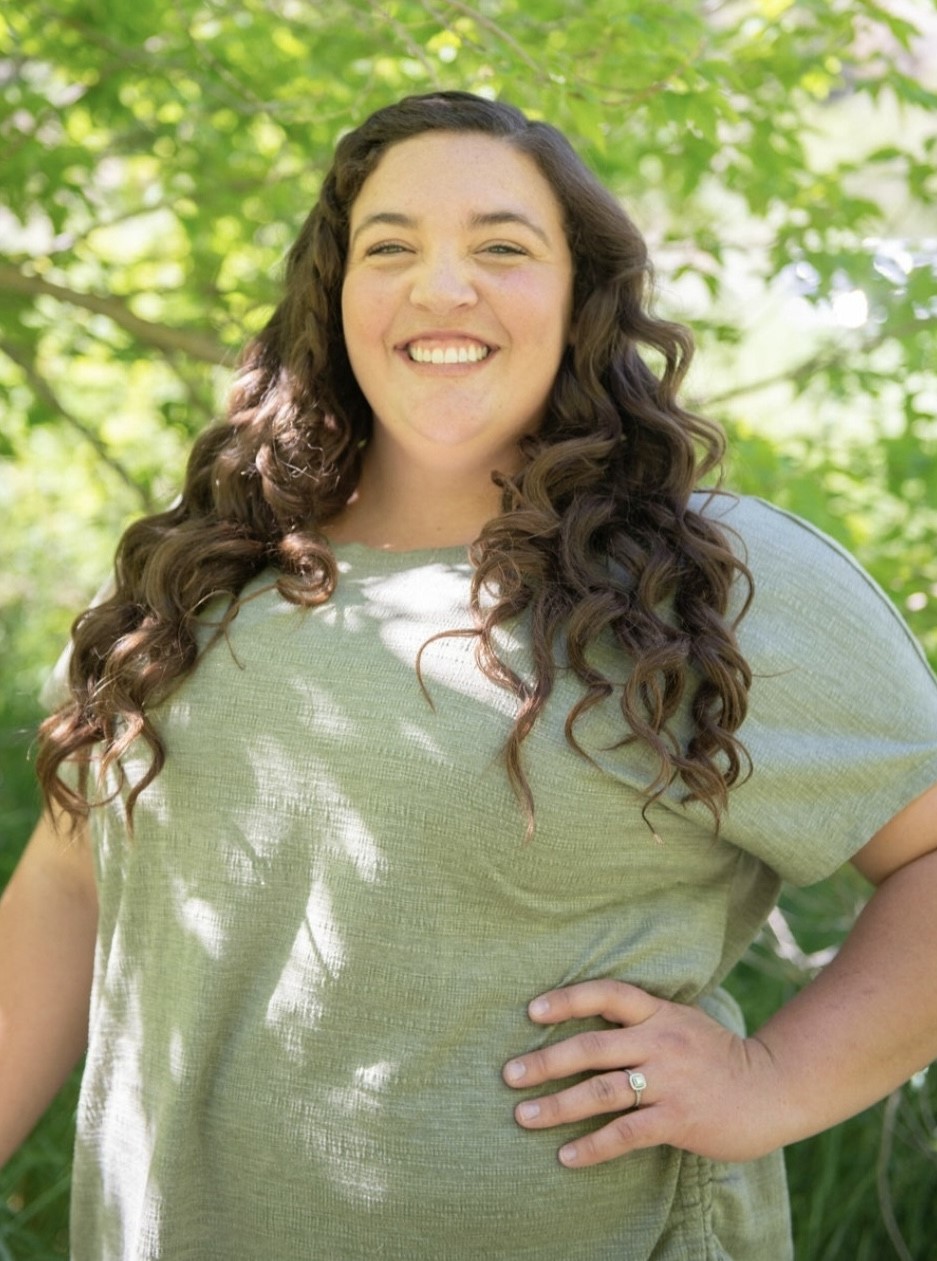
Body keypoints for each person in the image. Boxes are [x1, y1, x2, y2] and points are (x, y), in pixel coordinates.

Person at [1, 90, 936, 1261]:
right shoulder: (194, 576)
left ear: (580, 297)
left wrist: (772, 1080)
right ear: (334, 300)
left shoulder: (706, 578)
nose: (442, 288)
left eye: (502, 247)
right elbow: (70, 883)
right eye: (390, 248)